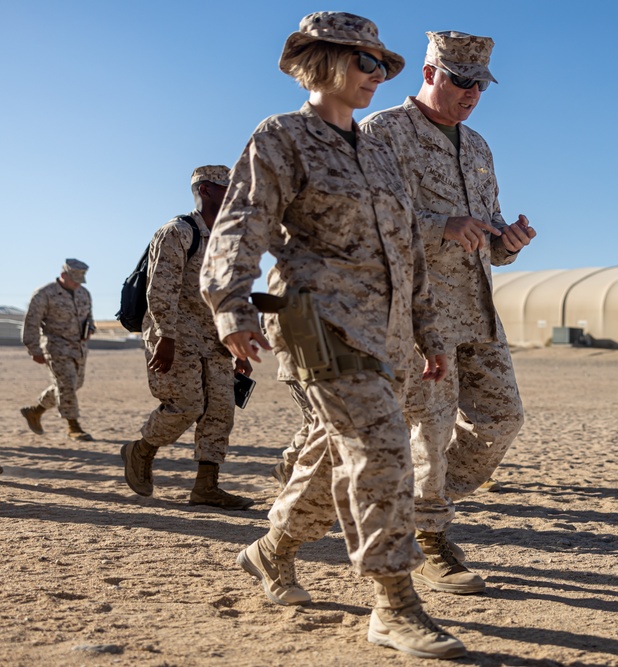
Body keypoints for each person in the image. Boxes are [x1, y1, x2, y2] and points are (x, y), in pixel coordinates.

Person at [199, 12, 465, 660]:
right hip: (318, 321)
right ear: (322, 64)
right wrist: (229, 307)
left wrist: (430, 330)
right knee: (380, 449)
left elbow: (409, 251)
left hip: (386, 332)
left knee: (330, 457)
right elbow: (241, 225)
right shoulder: (282, 138)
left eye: (381, 65)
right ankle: (393, 603)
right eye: (364, 63)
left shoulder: (379, 151)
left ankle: (270, 551)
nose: (376, 75)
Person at [360, 30, 535, 595]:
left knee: (502, 419)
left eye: (481, 84)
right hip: (419, 312)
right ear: (431, 72)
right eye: (462, 81)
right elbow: (365, 223)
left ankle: (412, 500)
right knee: (429, 427)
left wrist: (506, 242)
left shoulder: (479, 146)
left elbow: (484, 232)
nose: (472, 93)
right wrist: (440, 228)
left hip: (478, 309)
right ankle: (428, 534)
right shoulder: (382, 133)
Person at [120, 166, 254, 511]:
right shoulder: (177, 232)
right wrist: (165, 336)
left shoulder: (228, 239)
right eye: (227, 190)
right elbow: (161, 288)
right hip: (176, 335)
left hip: (215, 339)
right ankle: (141, 450)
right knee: (186, 406)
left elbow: (229, 294)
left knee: (221, 410)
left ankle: (206, 487)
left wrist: (238, 343)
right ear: (206, 190)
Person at [20, 259, 96, 441]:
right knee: (67, 384)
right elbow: (31, 322)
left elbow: (90, 318)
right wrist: (34, 349)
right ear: (64, 275)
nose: (78, 284)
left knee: (74, 384)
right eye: (74, 280)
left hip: (79, 348)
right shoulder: (44, 294)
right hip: (56, 347)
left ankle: (35, 411)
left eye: (80, 280)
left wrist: (90, 329)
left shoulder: (84, 293)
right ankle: (73, 426)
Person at [261, 266, 317, 489]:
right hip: (301, 362)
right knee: (318, 421)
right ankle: (289, 469)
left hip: (332, 362)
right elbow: (275, 320)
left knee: (315, 421)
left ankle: (288, 468)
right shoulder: (291, 265)